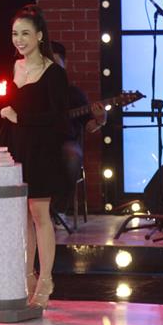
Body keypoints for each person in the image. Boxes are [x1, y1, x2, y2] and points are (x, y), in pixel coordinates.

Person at [0, 5, 69, 309]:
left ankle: (46, 280)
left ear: (40, 36)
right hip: (15, 150)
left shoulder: (54, 73)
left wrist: (21, 118)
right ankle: (27, 276)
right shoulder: (12, 68)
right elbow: (6, 110)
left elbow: (59, 119)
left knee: (40, 215)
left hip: (42, 151)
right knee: (22, 217)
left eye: (25, 33)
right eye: (15, 34)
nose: (19, 39)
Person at [49, 41, 106, 228]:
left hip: (66, 144)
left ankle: (58, 210)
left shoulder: (74, 94)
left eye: (56, 64)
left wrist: (100, 120)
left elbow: (89, 126)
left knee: (72, 155)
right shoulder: (33, 93)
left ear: (64, 65)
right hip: (38, 144)